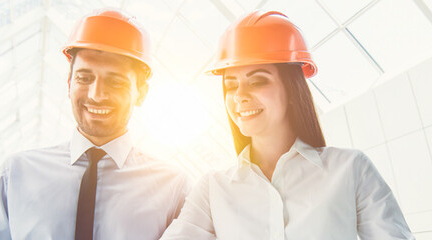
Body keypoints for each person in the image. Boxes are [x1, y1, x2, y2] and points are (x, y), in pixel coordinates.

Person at [161, 11, 414, 239]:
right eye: (230, 85)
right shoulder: (213, 188)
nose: (240, 96)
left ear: (292, 90)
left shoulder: (350, 170)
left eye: (257, 81)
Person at [0, 9, 190, 240]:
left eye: (115, 81)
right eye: (84, 78)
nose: (96, 94)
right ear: (69, 84)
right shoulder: (16, 175)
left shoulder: (173, 188)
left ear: (141, 93)